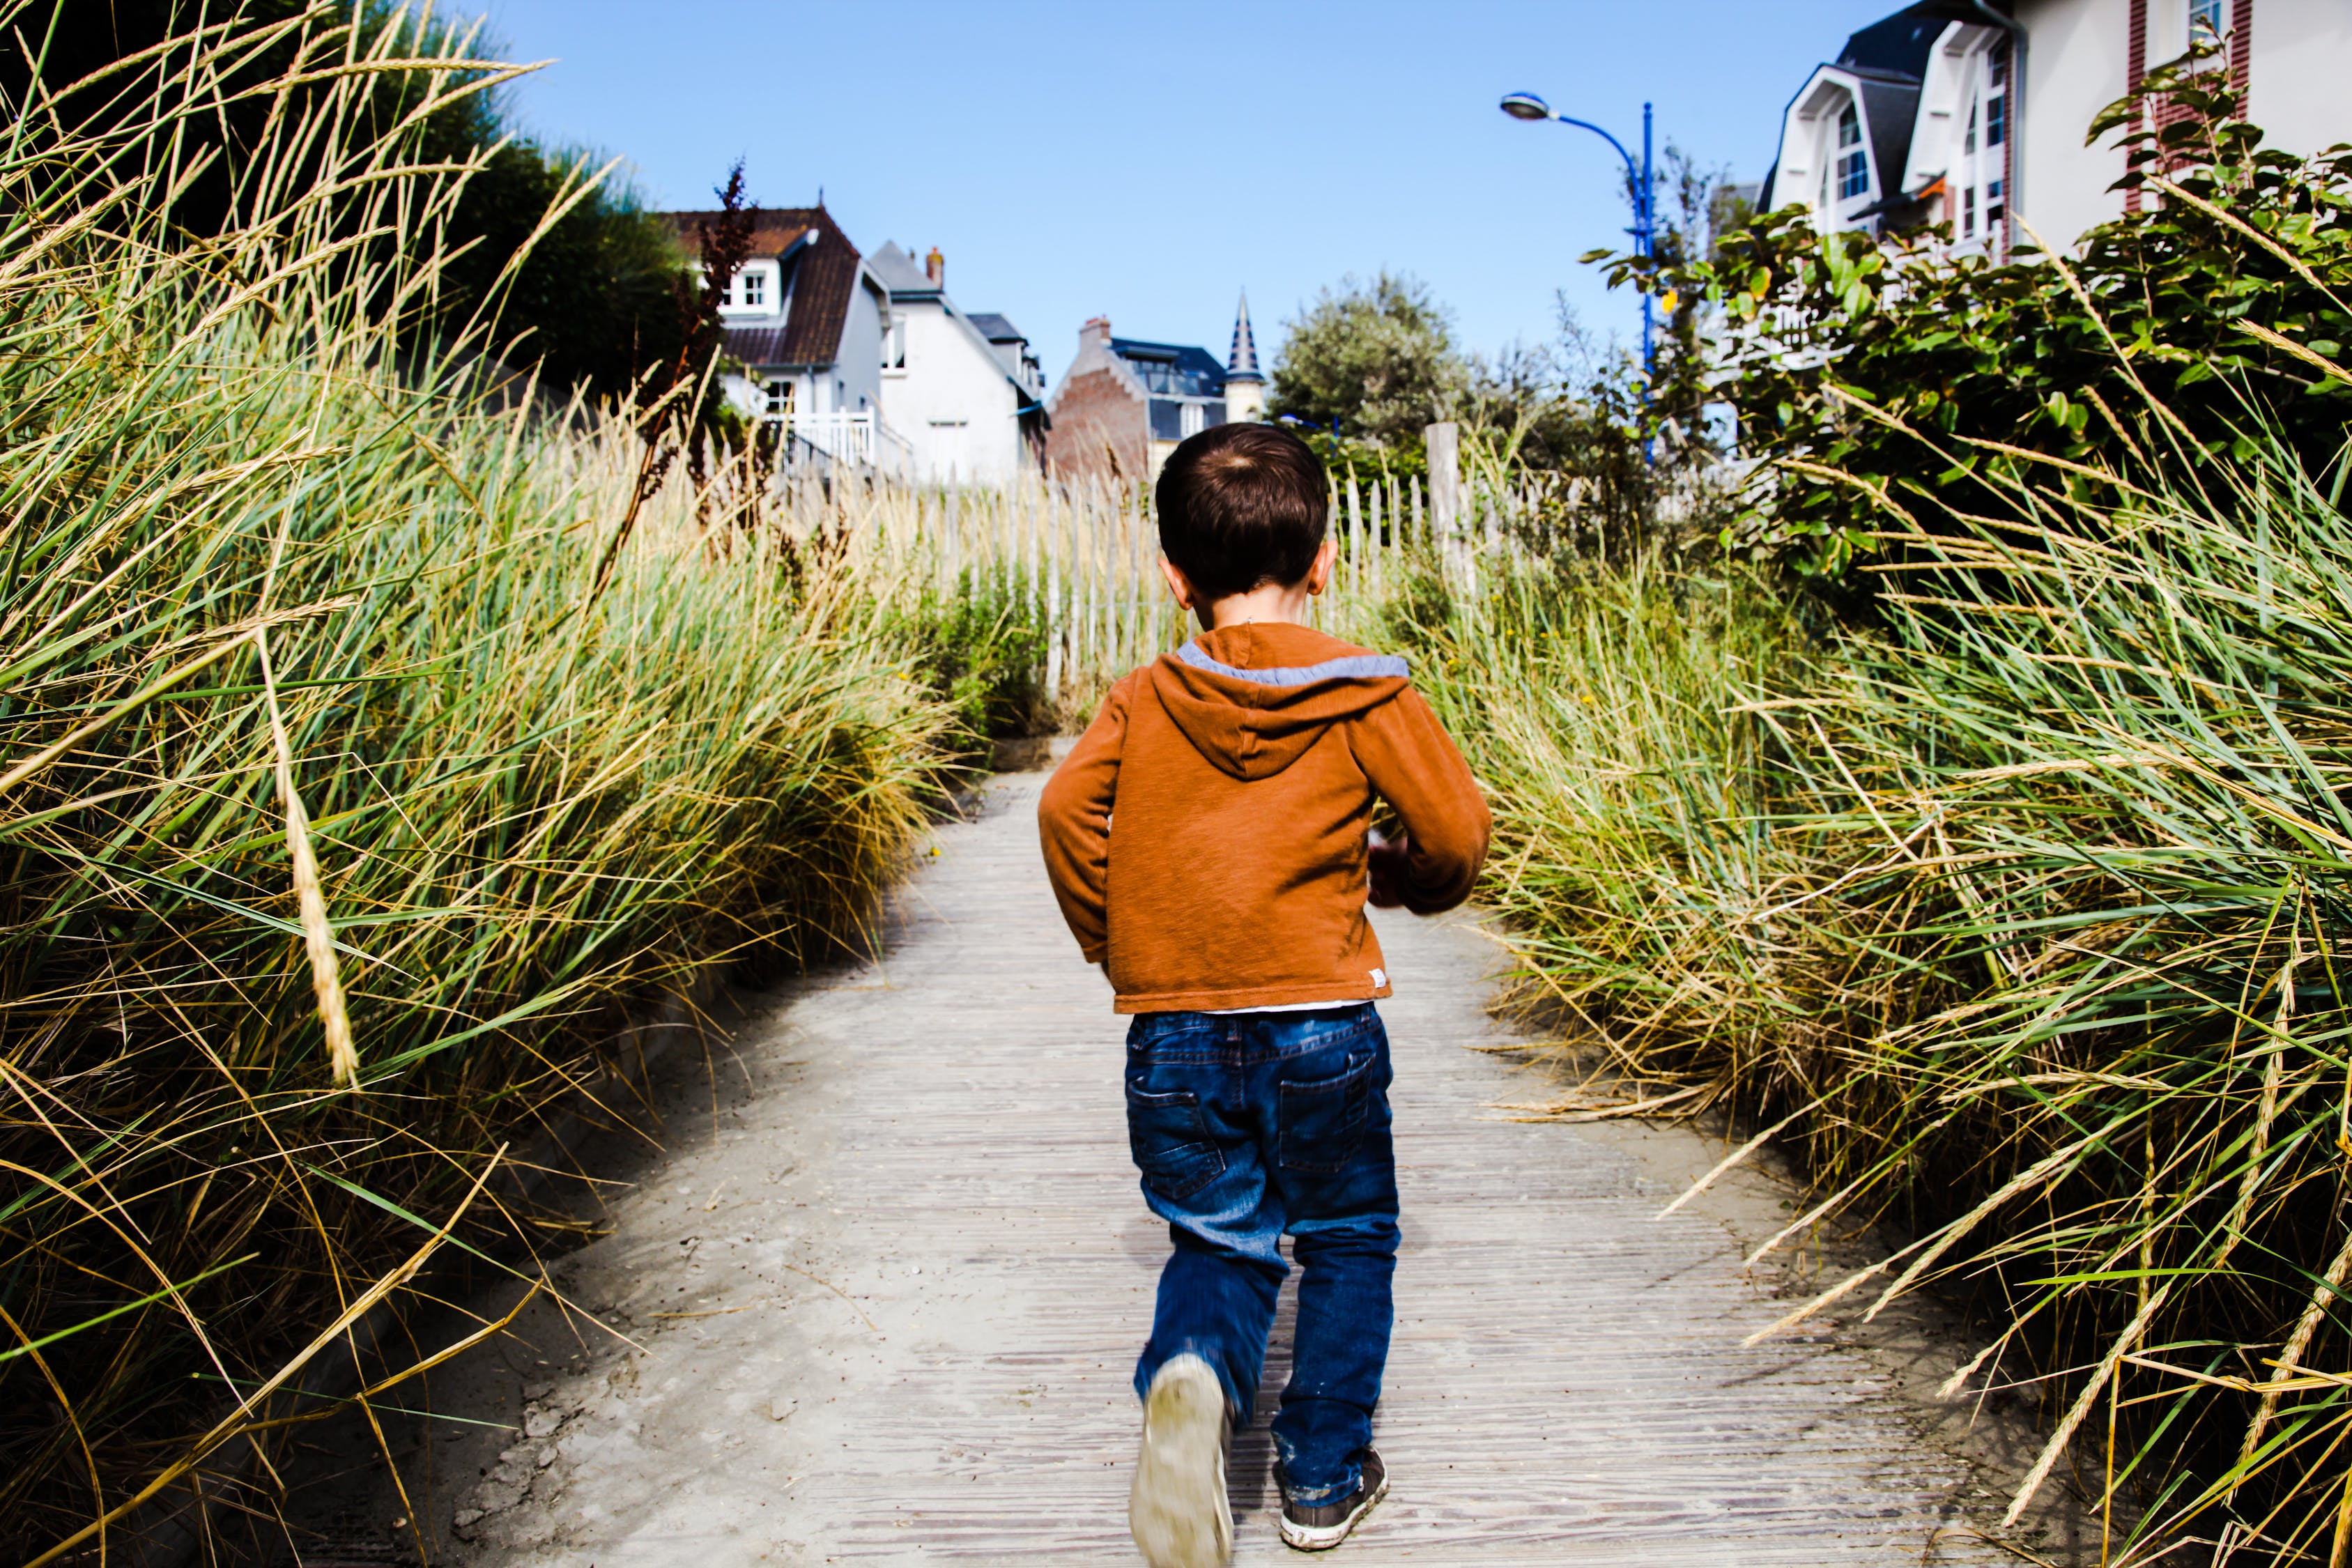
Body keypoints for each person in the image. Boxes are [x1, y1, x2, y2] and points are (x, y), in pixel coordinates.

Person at [1037, 422, 1491, 1565]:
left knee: (1219, 1239)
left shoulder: (1144, 697)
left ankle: (1193, 1374)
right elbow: (1456, 833)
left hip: (1174, 1030)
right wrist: (1407, 881)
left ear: (1174, 577)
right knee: (1345, 1235)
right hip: (1323, 1023)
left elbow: (1061, 814)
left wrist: (1120, 939)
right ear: (1325, 561)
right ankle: (1323, 1481)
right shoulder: (1367, 690)